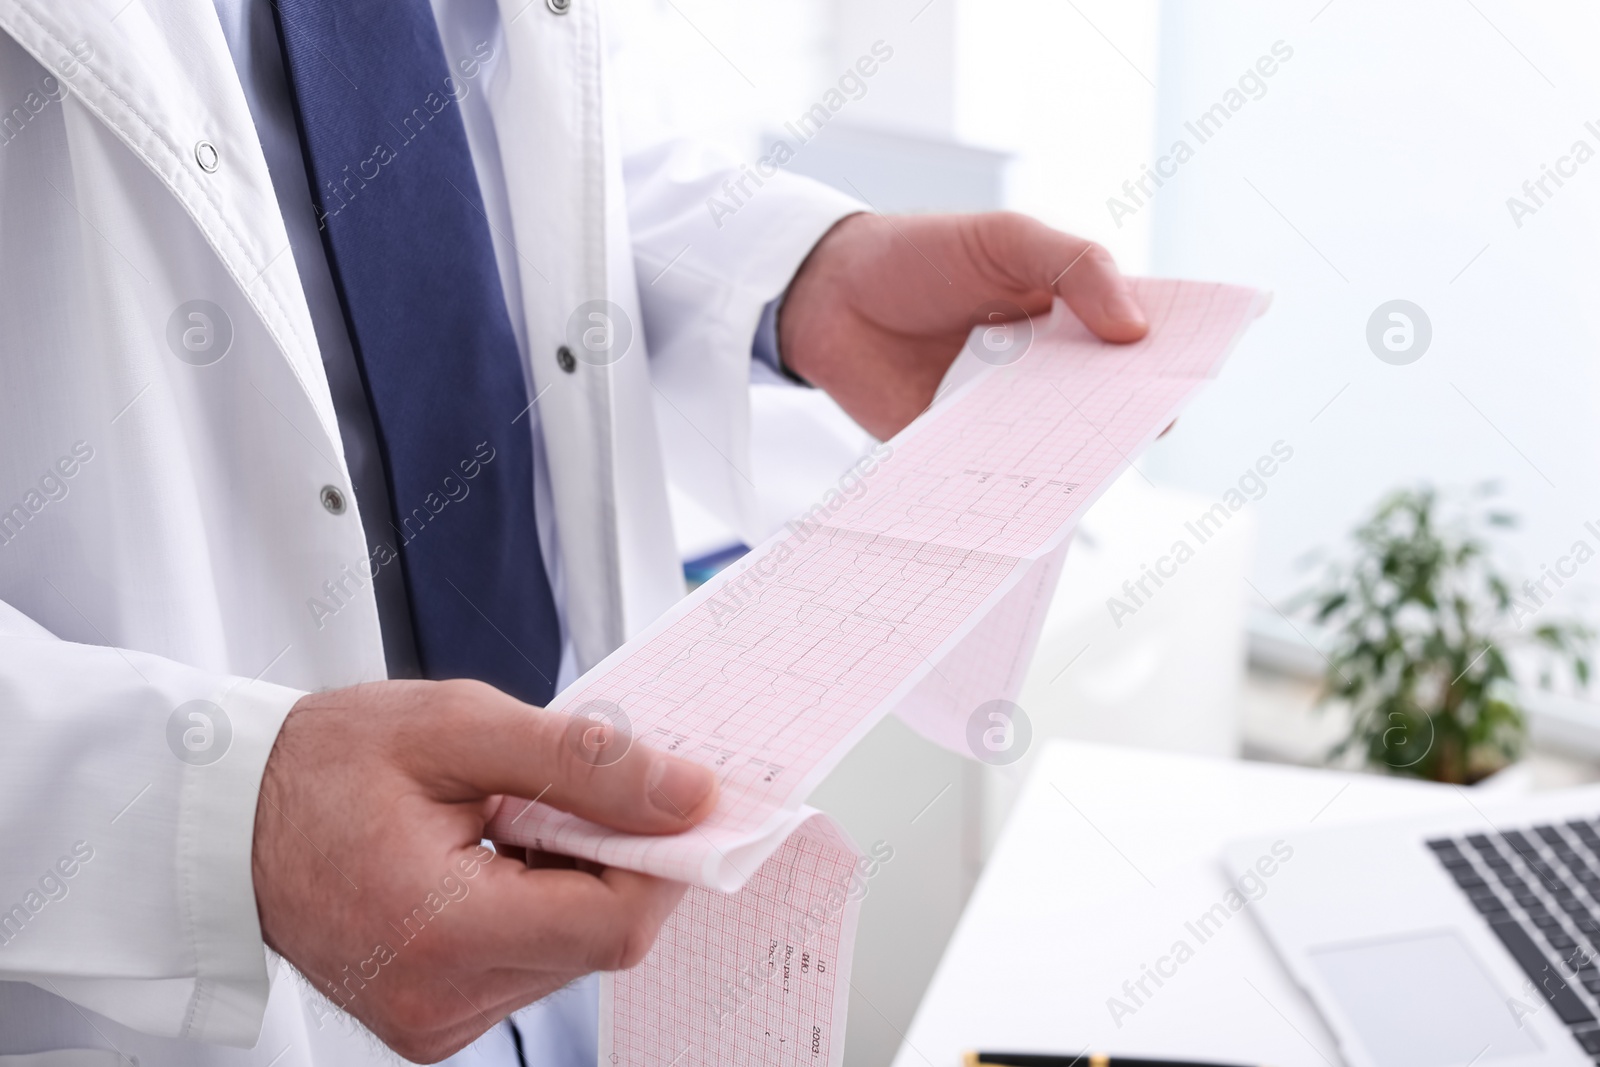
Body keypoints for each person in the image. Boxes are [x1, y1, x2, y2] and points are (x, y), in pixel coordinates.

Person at [0, 0, 1148, 1064]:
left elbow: (508, 153)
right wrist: (234, 812)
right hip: (182, 957)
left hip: (575, 871)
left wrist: (795, 274)